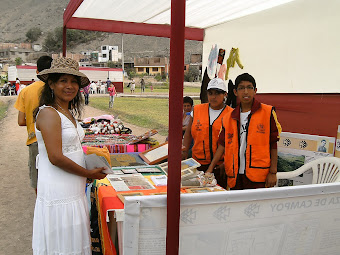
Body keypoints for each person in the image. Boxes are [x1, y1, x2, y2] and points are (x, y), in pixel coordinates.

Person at [32, 57, 107, 254]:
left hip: (73, 188)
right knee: (61, 242)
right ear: (51, 83)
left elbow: (71, 149)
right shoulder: (49, 113)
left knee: (72, 241)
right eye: (63, 80)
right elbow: (55, 157)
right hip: (59, 189)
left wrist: (87, 168)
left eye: (74, 81)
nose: (70, 86)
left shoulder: (67, 112)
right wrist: (87, 172)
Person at [206, 73, 282, 190]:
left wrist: (273, 172)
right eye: (241, 88)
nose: (245, 92)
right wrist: (210, 169)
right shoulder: (228, 117)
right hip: (234, 175)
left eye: (249, 87)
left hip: (258, 176)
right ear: (235, 92)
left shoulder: (267, 112)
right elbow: (222, 145)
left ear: (255, 90)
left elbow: (273, 143)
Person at [183, 78, 232, 188]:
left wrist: (227, 163)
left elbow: (233, 142)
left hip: (220, 166)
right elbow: (188, 134)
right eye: (210, 93)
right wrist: (184, 153)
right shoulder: (197, 110)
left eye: (217, 93)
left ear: (225, 94)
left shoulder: (231, 114)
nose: (213, 97)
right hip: (197, 164)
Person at [14, 55, 53, 193]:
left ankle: (41, 209)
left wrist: (34, 122)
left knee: (38, 180)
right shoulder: (56, 90)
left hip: (35, 139)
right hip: (55, 140)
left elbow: (20, 121)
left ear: (37, 72)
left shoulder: (25, 91)